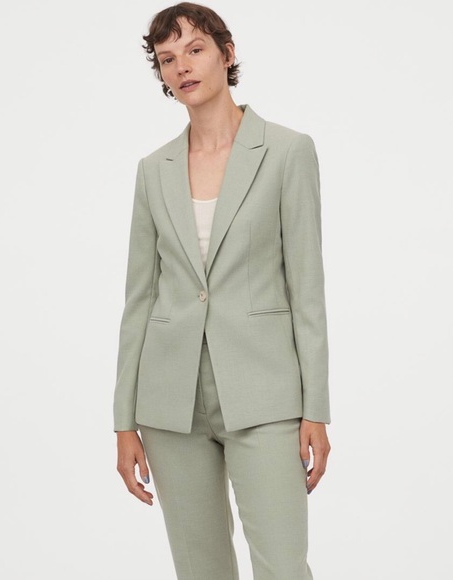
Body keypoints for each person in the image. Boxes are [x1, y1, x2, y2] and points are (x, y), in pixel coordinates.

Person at [113, 3, 332, 578]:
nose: (181, 67)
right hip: (169, 402)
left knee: (283, 565)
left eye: (195, 50)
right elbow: (139, 300)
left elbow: (307, 290)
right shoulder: (153, 169)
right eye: (167, 59)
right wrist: (123, 420)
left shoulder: (287, 151)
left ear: (226, 54)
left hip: (265, 394)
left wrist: (316, 409)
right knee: (200, 569)